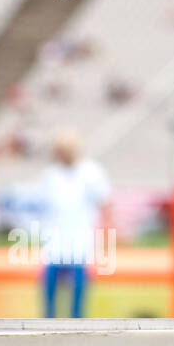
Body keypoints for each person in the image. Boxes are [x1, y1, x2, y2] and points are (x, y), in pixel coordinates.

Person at [39, 128, 111, 318]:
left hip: (80, 239)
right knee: (49, 286)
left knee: (78, 288)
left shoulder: (91, 173)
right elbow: (45, 206)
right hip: (54, 240)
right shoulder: (51, 175)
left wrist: (109, 233)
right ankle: (47, 323)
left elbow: (105, 203)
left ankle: (77, 323)